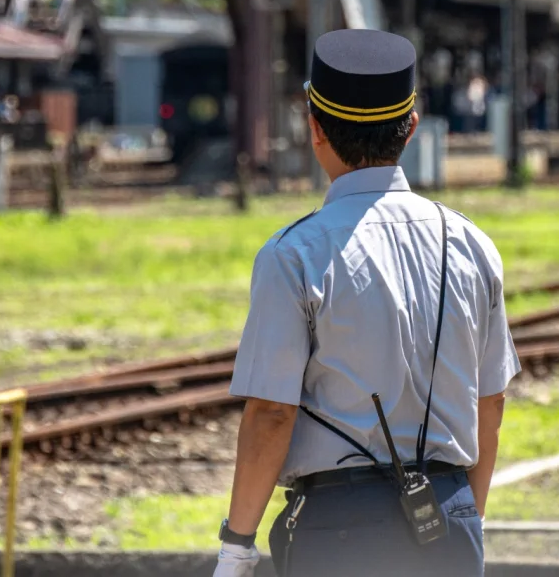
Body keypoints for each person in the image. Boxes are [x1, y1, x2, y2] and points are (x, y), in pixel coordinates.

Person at [213, 30, 520, 577]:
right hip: (448, 515)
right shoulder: (472, 244)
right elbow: (489, 403)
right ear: (412, 129)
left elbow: (271, 414)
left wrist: (237, 546)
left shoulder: (294, 255)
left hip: (338, 529)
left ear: (314, 129)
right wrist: (458, 520)